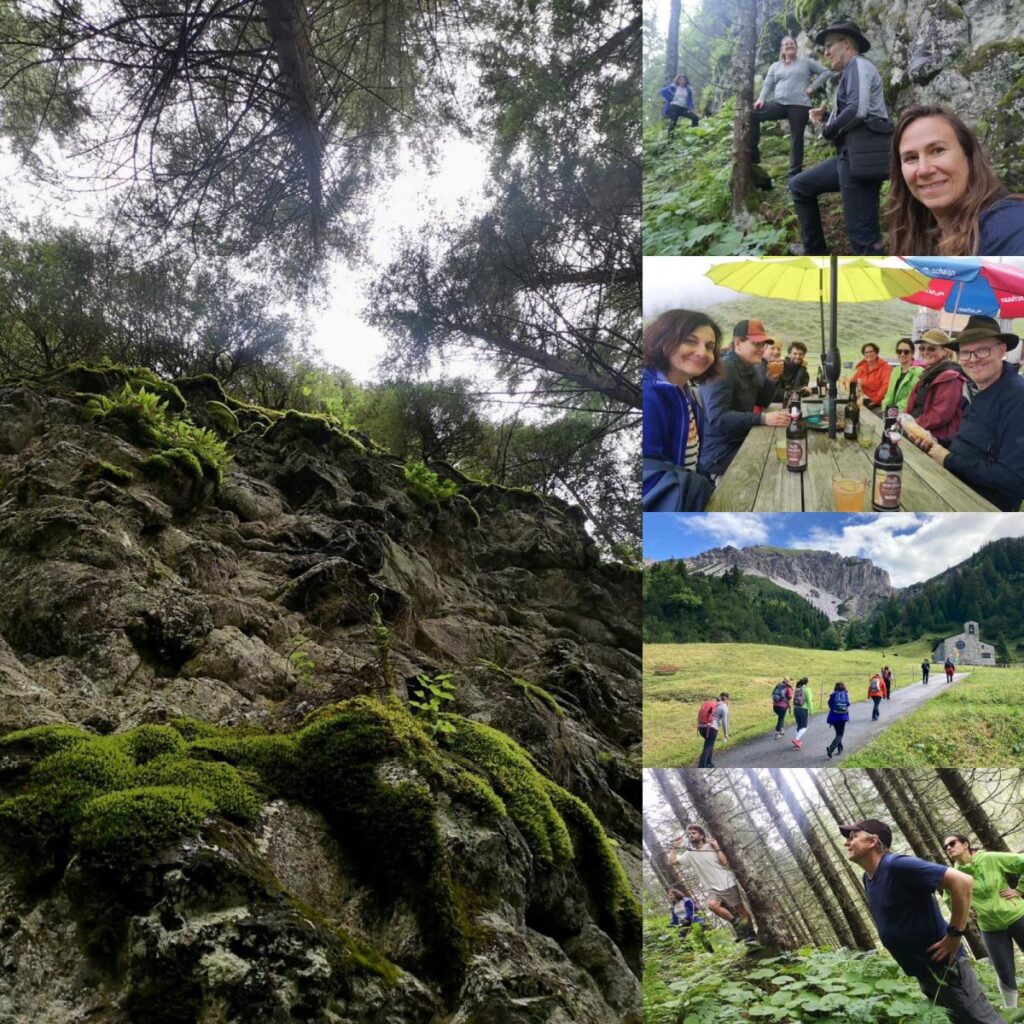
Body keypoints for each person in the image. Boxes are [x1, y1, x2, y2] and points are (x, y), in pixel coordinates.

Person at [841, 819, 1004, 1023]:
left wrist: (954, 935)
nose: (847, 842)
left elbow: (962, 881)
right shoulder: (869, 877)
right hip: (924, 970)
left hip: (945, 967)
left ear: (873, 841)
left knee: (981, 1020)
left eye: (853, 836)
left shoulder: (896, 865)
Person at [789, 21, 888, 255]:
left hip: (863, 155)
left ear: (846, 44)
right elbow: (853, 112)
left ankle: (877, 288)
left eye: (829, 45)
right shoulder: (851, 71)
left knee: (862, 235)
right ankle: (815, 252)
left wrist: (826, 130)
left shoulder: (858, 65)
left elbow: (857, 110)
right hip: (851, 155)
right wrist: (826, 119)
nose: (825, 52)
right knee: (799, 186)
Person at [887, 104, 1024, 256]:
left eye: (938, 150)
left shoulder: (1012, 226)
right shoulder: (918, 235)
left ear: (968, 155)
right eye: (911, 158)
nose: (924, 170)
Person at [923, 316, 1024, 512]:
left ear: (1002, 350)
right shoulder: (974, 388)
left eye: (982, 350)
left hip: (981, 505)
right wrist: (935, 441)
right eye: (966, 353)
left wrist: (948, 459)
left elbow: (1015, 479)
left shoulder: (1017, 398)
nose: (973, 360)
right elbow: (970, 441)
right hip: (954, 485)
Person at [642, 310, 723, 511]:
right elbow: (648, 473)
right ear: (664, 340)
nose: (702, 353)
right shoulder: (649, 394)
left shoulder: (690, 396)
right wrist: (702, 489)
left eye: (710, 347)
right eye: (690, 341)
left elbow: (693, 462)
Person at [698, 319, 791, 478]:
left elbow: (761, 401)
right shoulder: (723, 370)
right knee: (774, 469)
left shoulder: (750, 368)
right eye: (756, 344)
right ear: (738, 343)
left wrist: (771, 379)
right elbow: (718, 418)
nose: (761, 349)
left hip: (742, 440)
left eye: (763, 345)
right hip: (720, 454)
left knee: (786, 452)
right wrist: (763, 418)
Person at [944, 834, 1024, 1008]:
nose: (949, 848)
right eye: (946, 847)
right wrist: (966, 911)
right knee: (1004, 973)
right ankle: (1012, 1015)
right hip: (990, 928)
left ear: (965, 844)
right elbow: (948, 898)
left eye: (952, 843)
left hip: (1018, 916)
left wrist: (1019, 889)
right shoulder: (955, 875)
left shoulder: (990, 858)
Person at [752, 36, 830, 179]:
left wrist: (813, 87)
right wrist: (761, 99)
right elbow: (768, 84)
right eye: (786, 44)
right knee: (753, 114)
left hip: (799, 104)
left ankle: (794, 174)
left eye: (791, 43)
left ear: (796, 47)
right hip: (779, 103)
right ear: (782, 49)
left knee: (796, 137)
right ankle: (753, 155)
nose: (789, 45)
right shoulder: (775, 66)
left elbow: (826, 72)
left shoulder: (806, 63)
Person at [669, 826, 757, 942]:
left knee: (741, 909)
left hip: (727, 882)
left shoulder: (710, 846)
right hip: (711, 888)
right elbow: (672, 861)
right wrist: (675, 847)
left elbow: (724, 862)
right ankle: (738, 926)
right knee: (712, 905)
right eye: (689, 834)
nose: (691, 835)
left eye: (694, 833)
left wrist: (717, 848)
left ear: (701, 835)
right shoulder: (690, 854)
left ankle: (751, 934)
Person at [903, 329, 969, 446]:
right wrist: (904, 419)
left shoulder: (950, 377)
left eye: (931, 348)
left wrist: (912, 423)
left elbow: (940, 416)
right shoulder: (929, 372)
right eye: (922, 348)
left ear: (945, 351)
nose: (925, 352)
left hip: (936, 438)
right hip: (919, 431)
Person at [881, 338, 923, 412]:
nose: (902, 354)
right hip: (892, 412)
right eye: (899, 351)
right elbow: (889, 395)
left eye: (906, 352)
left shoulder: (918, 371)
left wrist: (893, 411)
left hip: (906, 414)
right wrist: (885, 408)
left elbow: (910, 398)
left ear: (912, 353)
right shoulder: (895, 370)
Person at [851, 342, 893, 409]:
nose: (869, 354)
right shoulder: (862, 368)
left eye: (871, 351)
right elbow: (853, 381)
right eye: (866, 352)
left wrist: (876, 400)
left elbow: (886, 386)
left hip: (878, 403)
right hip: (864, 400)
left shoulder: (885, 367)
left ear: (876, 353)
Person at [697, 692, 730, 768]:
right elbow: (724, 722)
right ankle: (701, 766)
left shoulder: (713, 703)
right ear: (727, 699)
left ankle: (709, 762)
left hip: (701, 727)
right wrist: (726, 734)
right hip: (711, 728)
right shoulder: (724, 706)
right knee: (708, 746)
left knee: (709, 744)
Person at [826, 681, 850, 758]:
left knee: (838, 733)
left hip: (834, 717)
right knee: (840, 734)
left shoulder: (833, 694)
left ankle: (840, 748)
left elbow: (829, 704)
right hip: (843, 717)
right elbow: (848, 703)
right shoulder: (845, 694)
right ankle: (831, 748)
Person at [792, 676, 813, 749]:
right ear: (807, 682)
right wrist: (811, 709)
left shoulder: (797, 689)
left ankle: (797, 742)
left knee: (799, 725)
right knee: (804, 727)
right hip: (803, 709)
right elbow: (809, 700)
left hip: (795, 709)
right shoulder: (807, 689)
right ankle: (796, 739)